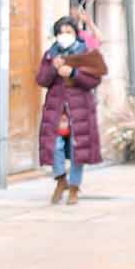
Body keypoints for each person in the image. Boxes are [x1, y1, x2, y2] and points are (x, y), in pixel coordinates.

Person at [37, 16, 104, 206]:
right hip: (56, 110)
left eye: (68, 32)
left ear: (76, 34)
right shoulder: (51, 54)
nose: (64, 36)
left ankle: (74, 187)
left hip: (80, 109)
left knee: (78, 150)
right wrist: (53, 68)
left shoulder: (86, 53)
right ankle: (60, 179)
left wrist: (74, 73)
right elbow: (41, 80)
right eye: (61, 32)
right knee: (54, 146)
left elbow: (94, 79)